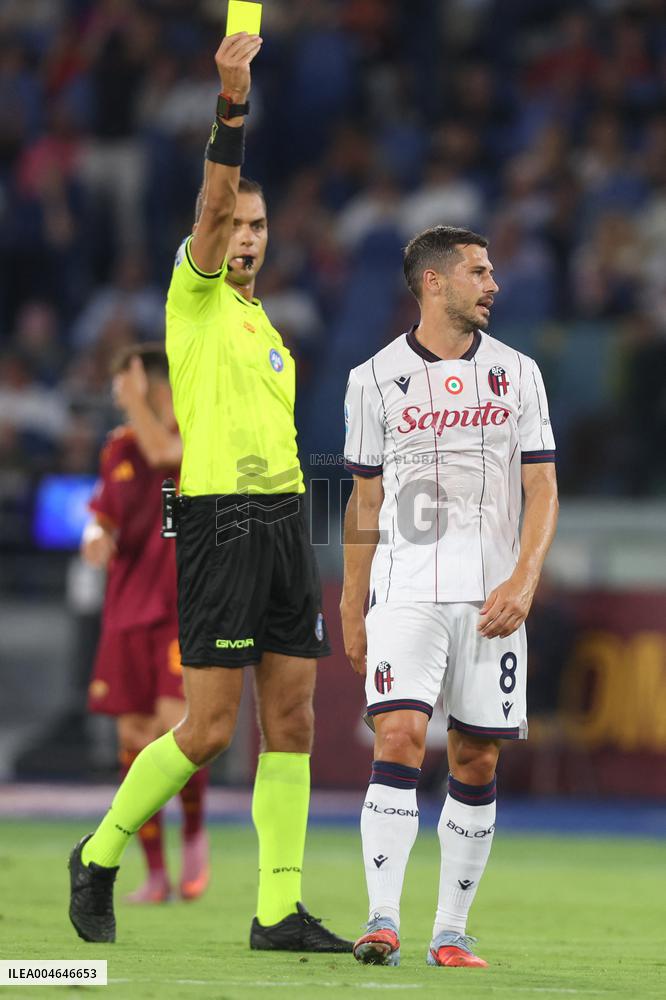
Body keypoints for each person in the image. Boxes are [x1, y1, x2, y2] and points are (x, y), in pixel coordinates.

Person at [68, 31, 351, 954]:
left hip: (279, 523)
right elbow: (214, 194)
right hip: (219, 523)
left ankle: (276, 910)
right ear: (211, 231)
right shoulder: (190, 302)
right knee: (208, 730)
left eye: (260, 227)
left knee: (296, 718)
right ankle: (101, 852)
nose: (245, 235)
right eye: (234, 223)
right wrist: (231, 107)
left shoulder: (270, 325)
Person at [340, 225, 558, 968]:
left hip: (493, 592)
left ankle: (451, 929)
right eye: (479, 271)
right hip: (406, 588)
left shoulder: (519, 373)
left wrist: (525, 577)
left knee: (476, 758)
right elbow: (364, 500)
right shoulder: (372, 379)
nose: (494, 283)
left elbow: (542, 484)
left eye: (492, 270)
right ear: (434, 283)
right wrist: (351, 602)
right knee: (398, 738)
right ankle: (381, 919)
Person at [83, 344, 209, 904]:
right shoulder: (118, 448)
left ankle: (196, 833)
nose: (117, 398)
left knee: (173, 730)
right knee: (132, 738)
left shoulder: (194, 433)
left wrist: (138, 402)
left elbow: (164, 453)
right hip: (126, 609)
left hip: (180, 607)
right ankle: (155, 873)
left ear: (149, 383)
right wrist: (96, 538)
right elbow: (102, 513)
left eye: (122, 386)